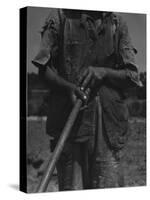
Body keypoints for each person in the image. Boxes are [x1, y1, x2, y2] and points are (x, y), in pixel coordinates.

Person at [32, 8, 142, 191]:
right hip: (69, 121)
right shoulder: (60, 17)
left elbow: (132, 76)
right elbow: (43, 70)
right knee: (72, 189)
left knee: (107, 189)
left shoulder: (117, 22)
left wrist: (104, 72)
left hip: (108, 127)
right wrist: (68, 87)